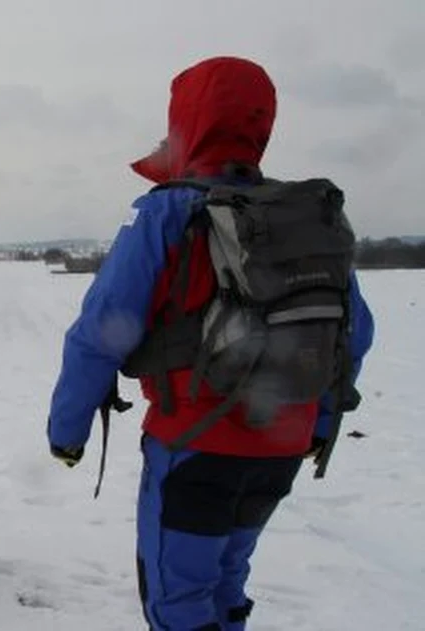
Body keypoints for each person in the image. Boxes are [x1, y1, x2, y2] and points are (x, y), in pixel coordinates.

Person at [45, 56, 376, 630]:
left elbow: (101, 330)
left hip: (194, 447)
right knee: (225, 584)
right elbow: (354, 332)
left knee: (177, 600)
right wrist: (317, 424)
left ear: (187, 119)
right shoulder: (303, 218)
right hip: (279, 450)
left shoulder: (168, 211)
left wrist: (67, 432)